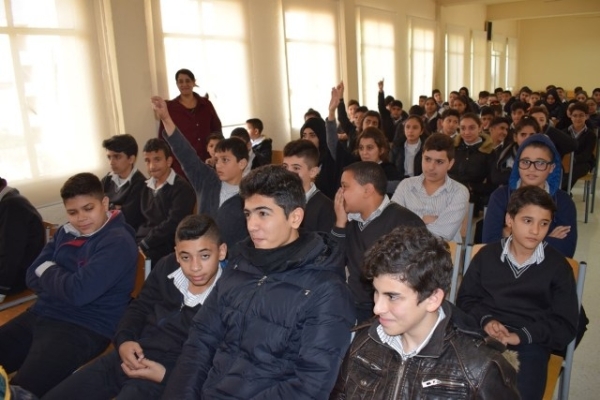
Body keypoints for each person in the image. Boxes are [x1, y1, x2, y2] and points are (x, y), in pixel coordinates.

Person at [162, 165, 356, 399]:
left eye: (263, 213)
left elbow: (310, 385)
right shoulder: (239, 266)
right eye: (248, 214)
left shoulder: (326, 290)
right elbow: (200, 341)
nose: (251, 225)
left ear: (295, 217)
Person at [43, 214, 226, 400]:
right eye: (185, 257)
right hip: (132, 354)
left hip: (169, 377)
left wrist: (166, 375)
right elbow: (139, 307)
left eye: (204, 256)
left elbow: (223, 363)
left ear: (221, 251)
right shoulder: (166, 266)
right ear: (177, 254)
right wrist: (124, 340)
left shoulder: (231, 296)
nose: (195, 267)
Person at [331, 226, 520, 399]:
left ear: (433, 299)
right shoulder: (363, 342)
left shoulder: (479, 368)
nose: (377, 308)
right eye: (376, 292)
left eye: (392, 296)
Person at [0, 173, 137, 397]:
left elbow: (78, 293)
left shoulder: (118, 241)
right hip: (41, 312)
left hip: (83, 326)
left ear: (104, 203)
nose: (80, 218)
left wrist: (49, 269)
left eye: (88, 208)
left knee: (20, 391)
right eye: (72, 212)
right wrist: (65, 279)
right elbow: (31, 275)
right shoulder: (66, 231)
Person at [458, 186, 578, 400]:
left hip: (531, 344)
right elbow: (466, 300)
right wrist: (486, 320)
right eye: (527, 220)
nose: (535, 230)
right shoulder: (486, 256)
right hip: (481, 335)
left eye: (544, 223)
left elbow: (565, 324)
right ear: (509, 219)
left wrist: (520, 336)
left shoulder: (558, 267)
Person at [152, 97, 249, 253]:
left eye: (225, 160)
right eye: (217, 159)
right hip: (199, 254)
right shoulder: (207, 180)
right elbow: (185, 154)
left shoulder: (250, 195)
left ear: (242, 163)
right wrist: (166, 118)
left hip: (233, 260)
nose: (218, 165)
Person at [332, 161, 424, 323]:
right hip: (352, 302)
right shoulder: (350, 221)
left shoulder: (405, 223)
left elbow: (415, 277)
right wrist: (340, 224)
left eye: (345, 186)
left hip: (388, 309)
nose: (340, 192)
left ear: (367, 190)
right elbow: (333, 263)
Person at [483, 134, 577, 258]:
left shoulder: (563, 201)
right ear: (517, 164)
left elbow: (566, 250)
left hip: (547, 268)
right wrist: (547, 239)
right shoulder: (500, 197)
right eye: (525, 162)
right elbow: (490, 244)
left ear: (551, 167)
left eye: (540, 163)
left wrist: (509, 234)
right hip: (502, 265)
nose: (531, 169)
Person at [392, 133, 469, 242]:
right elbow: (392, 222)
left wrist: (409, 223)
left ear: (450, 164)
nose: (431, 167)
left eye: (439, 162)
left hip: (442, 251)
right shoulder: (406, 185)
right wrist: (422, 219)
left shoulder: (459, 192)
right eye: (427, 159)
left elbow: (443, 234)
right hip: (404, 250)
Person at [136, 139, 196, 266]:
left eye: (157, 159)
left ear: (169, 161)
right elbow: (139, 219)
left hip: (168, 245)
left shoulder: (182, 188)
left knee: (138, 261)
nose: (152, 166)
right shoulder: (144, 186)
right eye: (147, 161)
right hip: (145, 240)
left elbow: (173, 224)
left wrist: (145, 243)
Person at [157, 68, 222, 177]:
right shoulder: (170, 108)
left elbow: (217, 130)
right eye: (180, 81)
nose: (184, 84)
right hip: (181, 164)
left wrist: (217, 154)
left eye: (187, 81)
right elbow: (163, 138)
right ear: (177, 84)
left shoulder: (206, 104)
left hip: (207, 162)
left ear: (193, 82)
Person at [0, 176, 45, 302]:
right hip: (13, 271)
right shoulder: (9, 200)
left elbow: (10, 254)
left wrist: (1, 290)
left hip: (18, 277)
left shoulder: (12, 206)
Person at [282, 139, 335, 233]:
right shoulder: (277, 200)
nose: (288, 173)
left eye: (296, 168)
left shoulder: (326, 208)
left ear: (313, 172)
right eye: (285, 167)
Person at [101, 134, 146, 231]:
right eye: (109, 157)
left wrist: (108, 206)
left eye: (117, 157)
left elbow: (125, 218)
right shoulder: (107, 179)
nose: (111, 162)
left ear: (131, 159)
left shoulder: (141, 184)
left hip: (125, 232)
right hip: (107, 229)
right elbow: (95, 206)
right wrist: (116, 207)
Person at [562, 101, 597, 190]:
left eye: (581, 115)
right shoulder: (564, 132)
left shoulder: (590, 135)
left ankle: (562, 192)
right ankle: (564, 193)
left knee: (572, 171)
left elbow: (587, 154)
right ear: (570, 116)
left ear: (586, 116)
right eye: (575, 115)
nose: (578, 118)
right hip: (566, 161)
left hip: (584, 163)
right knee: (560, 170)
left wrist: (572, 159)